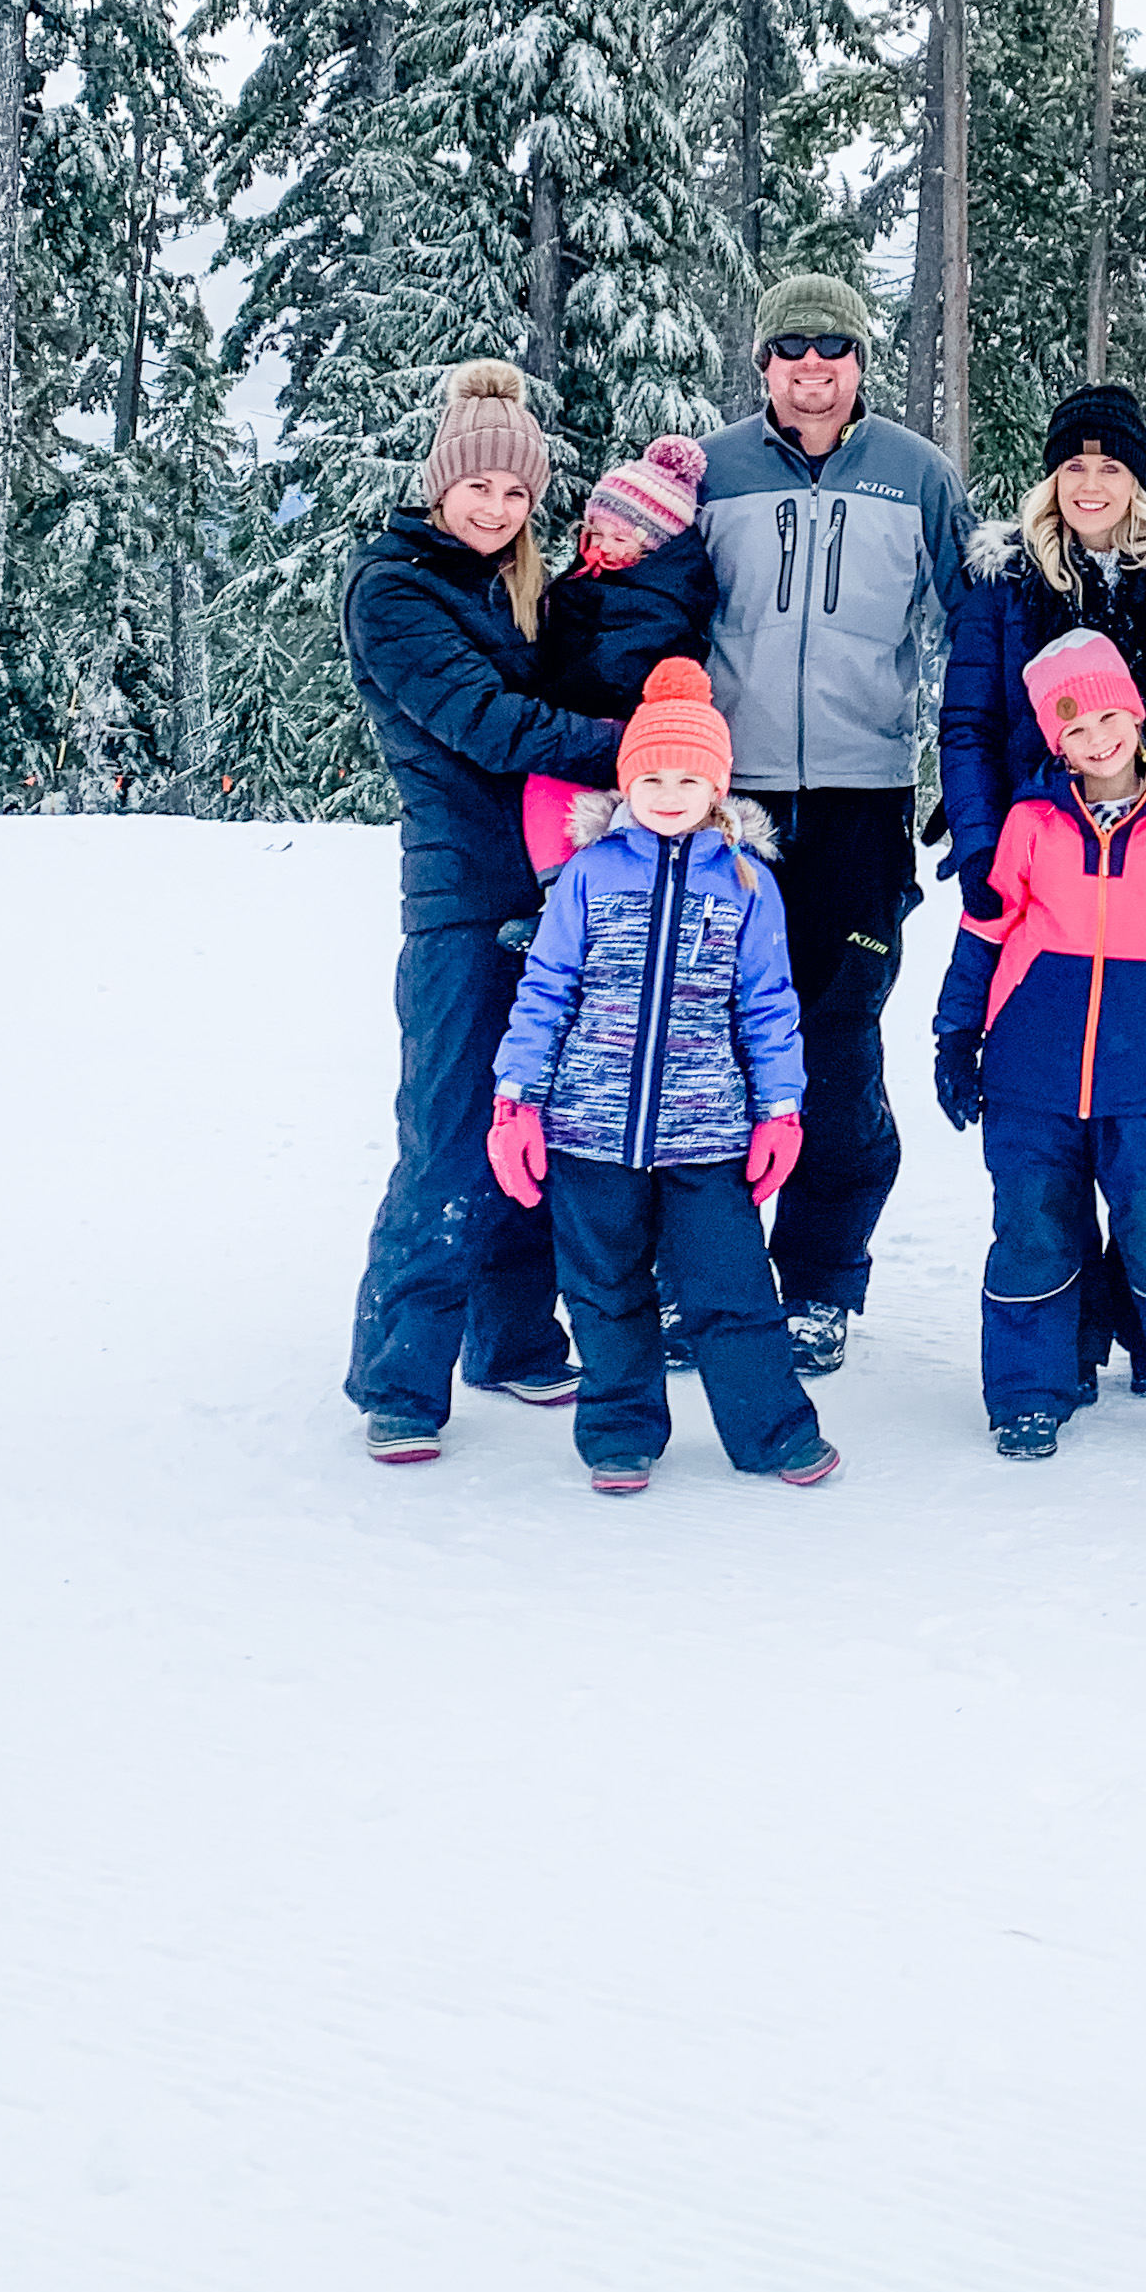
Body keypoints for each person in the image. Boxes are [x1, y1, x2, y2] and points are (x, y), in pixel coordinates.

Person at [939, 382, 1146, 1394]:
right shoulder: (1004, 580)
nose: (1089, 482)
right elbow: (969, 723)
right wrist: (993, 848)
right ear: (1050, 474)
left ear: (1137, 479)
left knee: (1141, 1117)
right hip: (1040, 865)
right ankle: (1066, 1338)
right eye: (1072, 463)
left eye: (1110, 465)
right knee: (1048, 1127)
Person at [340, 361, 625, 1465]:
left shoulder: (518, 586)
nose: (497, 508)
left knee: (534, 1129)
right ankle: (399, 1374)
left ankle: (509, 1336)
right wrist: (632, 747)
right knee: (451, 1136)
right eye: (479, 488)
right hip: (461, 899)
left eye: (516, 493)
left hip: (549, 896)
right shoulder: (397, 587)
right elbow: (490, 723)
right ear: (441, 483)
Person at [696, 271, 972, 1372]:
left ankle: (816, 1278)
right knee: (711, 1042)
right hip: (724, 808)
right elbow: (654, 620)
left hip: (863, 802)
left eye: (834, 348)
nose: (812, 367)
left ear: (860, 362)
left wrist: (971, 769)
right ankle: (710, 1272)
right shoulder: (709, 472)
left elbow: (976, 627)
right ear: (763, 363)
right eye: (791, 348)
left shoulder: (916, 474)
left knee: (837, 1041)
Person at [488, 659, 839, 1497]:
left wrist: (780, 1110)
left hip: (707, 1130)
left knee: (732, 1291)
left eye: (689, 776)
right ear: (627, 782)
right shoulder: (588, 873)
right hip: (588, 1128)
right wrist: (516, 1100)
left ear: (717, 786)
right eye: (651, 775)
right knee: (603, 1290)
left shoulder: (748, 882)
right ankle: (620, 1432)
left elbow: (768, 1002)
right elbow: (546, 990)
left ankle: (773, 1431)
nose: (670, 791)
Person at [933, 631, 1146, 1466]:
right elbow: (983, 933)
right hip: (1029, 1079)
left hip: (1143, 1082)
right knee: (1034, 1234)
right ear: (1054, 739)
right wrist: (956, 1035)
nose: (1097, 737)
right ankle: (1031, 1394)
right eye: (1074, 726)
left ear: (1136, 717)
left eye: (1109, 716)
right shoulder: (1030, 824)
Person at [522, 433, 716, 876]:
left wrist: (555, 692)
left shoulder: (662, 597)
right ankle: (559, 887)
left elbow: (615, 665)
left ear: (654, 545)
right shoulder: (588, 580)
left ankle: (570, 885)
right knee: (545, 789)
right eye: (596, 533)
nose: (604, 546)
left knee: (559, 792)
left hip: (623, 732)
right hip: (583, 729)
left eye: (620, 538)